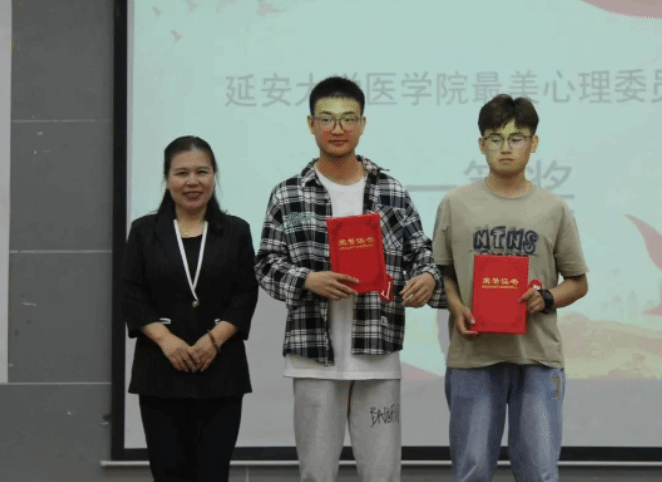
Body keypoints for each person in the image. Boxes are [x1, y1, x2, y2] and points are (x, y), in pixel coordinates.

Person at [255, 76, 446, 482]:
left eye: (348, 118)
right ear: (311, 124)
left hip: (377, 355)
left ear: (362, 124)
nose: (337, 128)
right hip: (313, 357)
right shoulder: (288, 194)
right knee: (315, 475)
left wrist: (428, 278)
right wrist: (307, 280)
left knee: (383, 475)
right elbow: (266, 265)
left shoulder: (391, 191)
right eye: (327, 118)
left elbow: (421, 252)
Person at [432, 94, 589, 482]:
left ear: (533, 143)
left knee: (539, 472)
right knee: (471, 470)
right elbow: (442, 271)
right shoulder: (455, 204)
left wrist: (546, 297)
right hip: (473, 355)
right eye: (495, 138)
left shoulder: (553, 208)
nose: (506, 147)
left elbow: (578, 282)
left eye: (516, 138)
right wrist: (456, 305)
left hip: (536, 357)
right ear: (481, 144)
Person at [121, 135, 258, 482]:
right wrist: (165, 340)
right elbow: (131, 292)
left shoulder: (237, 231)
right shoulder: (143, 231)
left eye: (202, 172)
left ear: (214, 176)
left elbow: (245, 293)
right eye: (182, 173)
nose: (192, 182)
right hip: (160, 370)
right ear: (167, 179)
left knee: (213, 472)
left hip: (221, 370)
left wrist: (214, 340)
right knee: (168, 471)